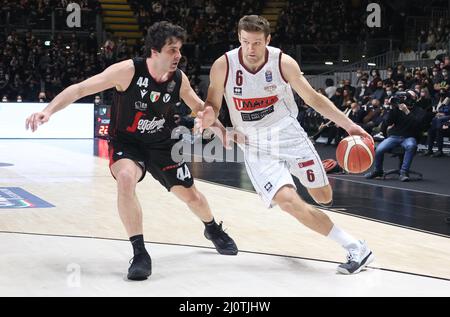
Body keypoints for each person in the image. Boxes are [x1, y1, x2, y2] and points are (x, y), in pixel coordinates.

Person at [25, 21, 238, 281]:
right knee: (126, 179)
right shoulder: (127, 71)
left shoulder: (178, 80)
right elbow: (81, 88)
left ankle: (212, 228)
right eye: (172, 50)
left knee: (192, 197)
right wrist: (48, 110)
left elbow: (199, 107)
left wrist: (218, 128)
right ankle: (139, 253)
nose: (178, 55)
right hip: (127, 142)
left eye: (179, 49)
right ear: (154, 52)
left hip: (162, 144)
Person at [196, 15, 375, 274]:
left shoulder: (283, 62)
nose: (251, 49)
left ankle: (298, 172)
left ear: (268, 40)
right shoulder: (223, 65)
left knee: (323, 198)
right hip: (254, 143)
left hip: (288, 135)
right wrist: (211, 118)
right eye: (246, 42)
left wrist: (349, 125)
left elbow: (313, 99)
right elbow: (212, 104)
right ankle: (356, 247)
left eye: (257, 43)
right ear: (239, 38)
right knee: (289, 202)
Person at [365, 90, 426, 181]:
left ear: (415, 99)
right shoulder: (397, 109)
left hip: (409, 137)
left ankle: (404, 172)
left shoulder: (419, 111)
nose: (407, 97)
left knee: (411, 146)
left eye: (410, 96)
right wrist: (392, 108)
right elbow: (388, 122)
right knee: (379, 149)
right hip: (395, 136)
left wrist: (406, 111)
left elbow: (418, 125)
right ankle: (378, 171)